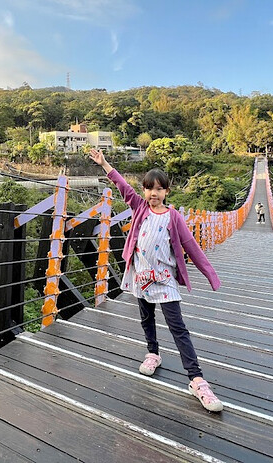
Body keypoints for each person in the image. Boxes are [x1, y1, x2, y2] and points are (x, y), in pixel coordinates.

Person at [88, 148, 224, 412]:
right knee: (146, 318)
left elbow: (192, 246)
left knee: (178, 327)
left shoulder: (174, 217)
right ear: (144, 190)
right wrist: (104, 164)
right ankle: (153, 353)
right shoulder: (139, 208)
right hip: (141, 277)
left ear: (167, 192)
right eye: (149, 189)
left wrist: (210, 274)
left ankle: (196, 379)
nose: (154, 194)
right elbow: (122, 186)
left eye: (159, 189)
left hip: (164, 280)